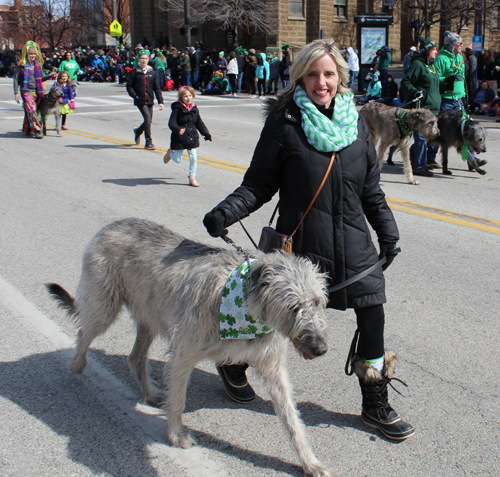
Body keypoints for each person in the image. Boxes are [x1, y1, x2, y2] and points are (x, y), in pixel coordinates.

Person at [202, 38, 414, 441]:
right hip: (301, 250)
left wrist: (388, 232)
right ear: (300, 76)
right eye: (313, 74)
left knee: (373, 316)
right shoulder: (285, 124)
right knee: (266, 318)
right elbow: (259, 184)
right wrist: (225, 213)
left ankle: (374, 403)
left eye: (329, 74)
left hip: (354, 244)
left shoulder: (357, 126)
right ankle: (234, 363)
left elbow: (371, 191)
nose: (322, 82)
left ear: (341, 78)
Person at [401, 37, 441, 176]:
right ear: (426, 51)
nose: (436, 52)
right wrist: (415, 91)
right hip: (422, 109)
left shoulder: (433, 66)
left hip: (434, 109)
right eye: (433, 50)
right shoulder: (418, 65)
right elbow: (406, 83)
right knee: (422, 138)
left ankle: (416, 159)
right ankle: (418, 167)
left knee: (431, 137)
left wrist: (447, 82)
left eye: (436, 50)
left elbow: (435, 85)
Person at [163, 86, 211, 187]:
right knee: (178, 160)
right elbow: (171, 123)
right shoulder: (177, 109)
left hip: (191, 136)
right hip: (179, 137)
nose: (188, 98)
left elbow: (199, 122)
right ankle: (170, 152)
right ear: (181, 98)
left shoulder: (194, 108)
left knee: (193, 158)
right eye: (185, 96)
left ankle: (192, 177)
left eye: (190, 95)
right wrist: (178, 129)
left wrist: (206, 133)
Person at [13, 41, 57, 139]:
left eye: (34, 54)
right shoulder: (21, 65)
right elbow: (16, 79)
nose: (32, 56)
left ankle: (27, 128)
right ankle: (37, 129)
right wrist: (16, 93)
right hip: (26, 91)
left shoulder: (38, 65)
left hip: (36, 91)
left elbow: (40, 79)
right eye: (30, 54)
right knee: (32, 110)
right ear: (26, 54)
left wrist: (49, 76)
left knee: (30, 111)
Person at [126, 49, 164, 150]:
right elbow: (129, 86)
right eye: (142, 58)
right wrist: (135, 95)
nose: (144, 60)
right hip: (140, 100)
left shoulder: (152, 72)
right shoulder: (135, 72)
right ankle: (149, 142)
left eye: (146, 58)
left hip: (150, 100)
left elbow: (157, 88)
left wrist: (160, 101)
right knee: (147, 119)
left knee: (148, 121)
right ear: (138, 59)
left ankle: (138, 131)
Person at [435, 31, 465, 111]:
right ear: (452, 44)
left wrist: (464, 94)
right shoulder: (441, 59)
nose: (462, 45)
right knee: (446, 123)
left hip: (459, 98)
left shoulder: (459, 57)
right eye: (460, 43)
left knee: (461, 122)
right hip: (446, 99)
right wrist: (446, 80)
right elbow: (435, 77)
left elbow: (462, 77)